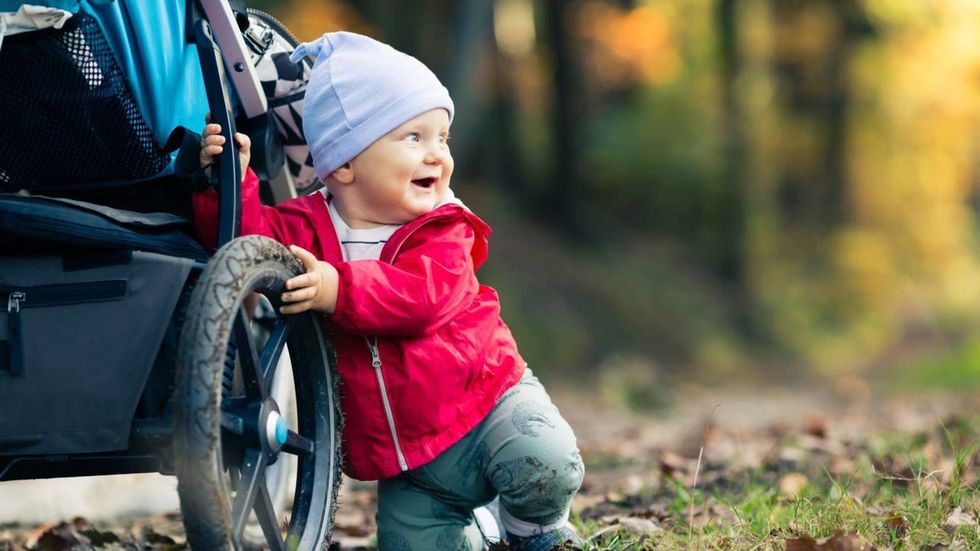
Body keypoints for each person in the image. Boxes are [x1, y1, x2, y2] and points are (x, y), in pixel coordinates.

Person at [193, 31, 584, 551]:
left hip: (488, 404)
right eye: (414, 138)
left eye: (441, 138)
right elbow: (247, 246)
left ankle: (532, 531)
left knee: (548, 461)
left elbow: (424, 298)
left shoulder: (445, 227)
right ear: (346, 164)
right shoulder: (307, 227)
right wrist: (224, 180)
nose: (437, 157)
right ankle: (475, 530)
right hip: (412, 464)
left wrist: (339, 287)